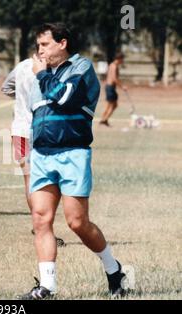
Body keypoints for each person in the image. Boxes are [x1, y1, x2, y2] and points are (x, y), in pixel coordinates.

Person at [17, 23, 128, 299]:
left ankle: (114, 270)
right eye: (38, 46)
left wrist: (41, 74)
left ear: (62, 43)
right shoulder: (40, 74)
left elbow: (64, 97)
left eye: (45, 44)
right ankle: (47, 287)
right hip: (42, 155)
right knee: (41, 219)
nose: (39, 50)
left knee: (77, 223)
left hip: (73, 154)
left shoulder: (81, 68)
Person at [1, 58, 65, 247]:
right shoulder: (54, 68)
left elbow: (6, 88)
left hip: (19, 129)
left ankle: (39, 226)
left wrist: (21, 99)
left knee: (30, 179)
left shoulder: (22, 65)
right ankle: (43, 228)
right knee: (48, 180)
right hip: (40, 129)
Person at [99, 53, 127, 127]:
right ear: (119, 59)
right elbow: (114, 78)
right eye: (122, 59)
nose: (122, 61)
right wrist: (122, 86)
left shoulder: (111, 65)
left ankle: (104, 119)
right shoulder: (115, 66)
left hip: (109, 87)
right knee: (111, 105)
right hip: (110, 87)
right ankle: (104, 120)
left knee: (111, 105)